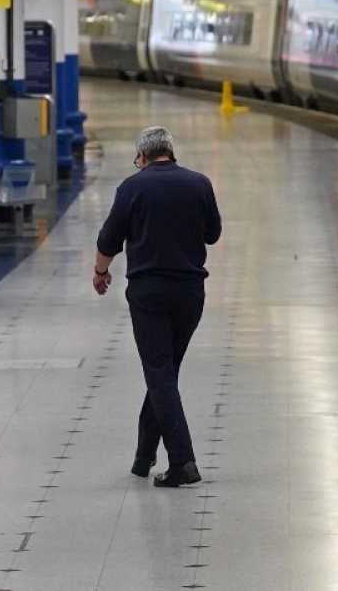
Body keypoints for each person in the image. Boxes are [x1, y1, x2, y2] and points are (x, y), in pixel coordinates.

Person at [93, 125, 222, 488]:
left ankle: (183, 462)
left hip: (149, 293)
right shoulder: (199, 183)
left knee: (160, 373)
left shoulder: (132, 188)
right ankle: (144, 454)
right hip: (190, 292)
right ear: (171, 151)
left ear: (142, 156)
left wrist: (100, 272)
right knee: (164, 372)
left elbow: (108, 240)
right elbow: (213, 234)